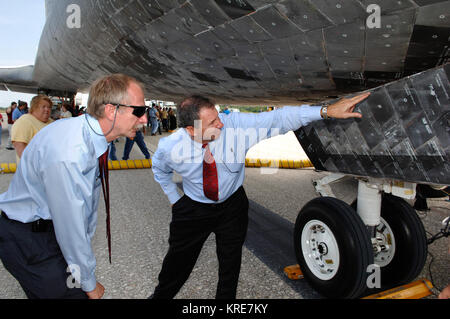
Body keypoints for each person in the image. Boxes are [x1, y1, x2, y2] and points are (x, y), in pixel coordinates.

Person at [151, 93, 370, 299]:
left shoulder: (234, 126)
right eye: (212, 123)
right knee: (177, 266)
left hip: (232, 205)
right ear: (191, 129)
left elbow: (278, 118)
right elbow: (159, 170)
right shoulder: (170, 147)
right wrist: (174, 199)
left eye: (218, 117)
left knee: (230, 263)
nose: (220, 124)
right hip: (193, 208)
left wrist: (326, 111)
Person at [0, 73, 147, 299]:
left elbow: (83, 207)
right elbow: (70, 225)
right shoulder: (70, 153)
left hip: (48, 233)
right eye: (139, 111)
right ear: (111, 110)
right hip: (30, 240)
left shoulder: (89, 137)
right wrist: (88, 282)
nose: (145, 119)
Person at [11, 95, 54, 163]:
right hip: (34, 169)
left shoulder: (51, 121)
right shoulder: (25, 121)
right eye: (43, 107)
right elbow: (20, 147)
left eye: (49, 107)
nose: (47, 109)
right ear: (34, 108)